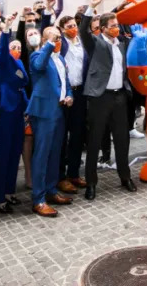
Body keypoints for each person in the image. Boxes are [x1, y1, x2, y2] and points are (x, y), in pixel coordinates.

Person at [80, 0, 136, 200]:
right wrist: (91, 6)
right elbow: (83, 31)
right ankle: (91, 183)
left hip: (119, 96)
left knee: (122, 139)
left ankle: (125, 177)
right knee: (94, 140)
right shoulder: (95, 43)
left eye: (117, 25)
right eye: (112, 26)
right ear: (103, 28)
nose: (116, 29)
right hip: (100, 97)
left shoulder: (120, 43)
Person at [27, 27, 73, 216]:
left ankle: (51, 190)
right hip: (44, 112)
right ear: (45, 40)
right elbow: (39, 66)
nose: (58, 41)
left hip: (59, 110)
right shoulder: (38, 55)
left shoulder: (60, 59)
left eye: (59, 38)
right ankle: (38, 199)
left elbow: (66, 82)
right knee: (42, 154)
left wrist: (69, 95)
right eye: (55, 38)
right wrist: (49, 44)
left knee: (55, 153)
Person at [0, 34, 29, 214]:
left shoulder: (19, 63)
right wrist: (5, 32)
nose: (17, 50)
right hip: (5, 114)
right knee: (3, 156)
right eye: (14, 47)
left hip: (18, 113)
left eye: (20, 48)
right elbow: (2, 53)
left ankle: (9, 191)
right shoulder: (2, 64)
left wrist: (28, 108)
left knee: (14, 155)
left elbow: (21, 87)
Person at [57, 14, 88, 194]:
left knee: (77, 134)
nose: (73, 28)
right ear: (62, 29)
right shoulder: (62, 44)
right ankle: (60, 176)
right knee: (62, 136)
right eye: (68, 26)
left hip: (80, 92)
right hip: (64, 94)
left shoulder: (82, 42)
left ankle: (74, 173)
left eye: (74, 25)